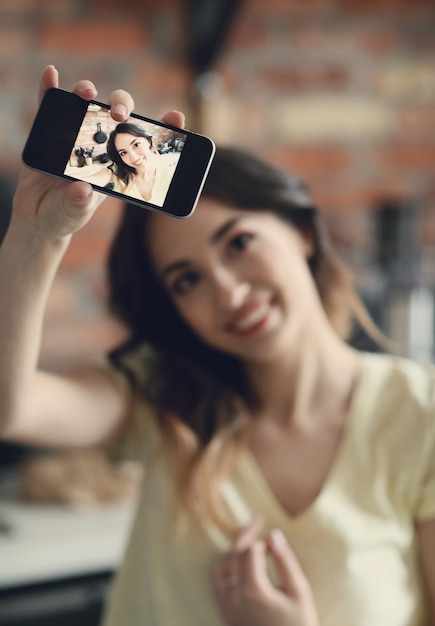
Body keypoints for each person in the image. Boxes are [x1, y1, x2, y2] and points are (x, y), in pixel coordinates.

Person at [1, 65, 434, 626]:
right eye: (186, 280)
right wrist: (37, 235)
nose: (227, 292)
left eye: (240, 243)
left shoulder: (419, 417)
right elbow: (10, 408)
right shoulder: (162, 395)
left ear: (301, 230)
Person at [69, 121, 175, 206]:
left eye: (136, 144)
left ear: (148, 142)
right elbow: (87, 182)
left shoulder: (169, 168)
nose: (133, 157)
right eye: (123, 152)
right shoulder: (116, 171)